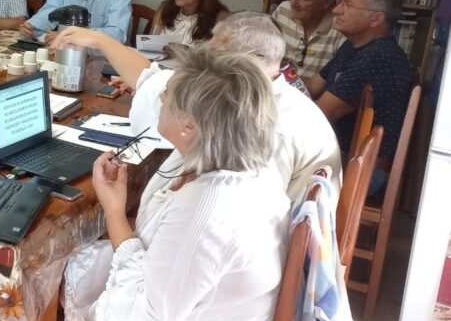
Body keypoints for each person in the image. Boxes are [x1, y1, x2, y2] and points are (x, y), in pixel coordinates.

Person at [15, 47, 290, 321]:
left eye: (169, 96)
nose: (160, 96)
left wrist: (114, 215)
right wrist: (115, 208)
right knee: (82, 285)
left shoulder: (209, 205)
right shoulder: (229, 163)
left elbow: (142, 313)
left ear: (190, 126)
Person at [52, 12, 341, 203]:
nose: (205, 54)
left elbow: (243, 216)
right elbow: (150, 79)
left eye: (215, 50)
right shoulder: (266, 92)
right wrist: (101, 40)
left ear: (244, 61)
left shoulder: (266, 124)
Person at [306, 0, 412, 195]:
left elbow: (321, 114)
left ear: (376, 18)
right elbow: (313, 85)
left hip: (360, 168)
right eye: (340, 2)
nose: (336, 10)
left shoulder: (379, 57)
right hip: (337, 154)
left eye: (347, 4)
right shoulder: (353, 46)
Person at [272, 0, 345, 81]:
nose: (294, 3)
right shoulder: (283, 11)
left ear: (327, 2)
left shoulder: (340, 30)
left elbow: (335, 82)